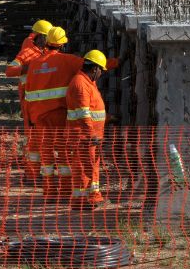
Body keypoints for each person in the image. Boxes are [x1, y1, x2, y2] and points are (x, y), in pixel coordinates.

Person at [23, 29, 119, 199]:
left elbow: (28, 94)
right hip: (60, 114)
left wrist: (29, 117)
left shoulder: (34, 65)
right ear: (62, 44)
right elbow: (91, 63)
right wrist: (116, 62)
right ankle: (66, 191)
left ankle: (49, 192)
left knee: (46, 155)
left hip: (39, 116)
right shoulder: (67, 60)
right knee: (64, 154)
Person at [4, 19, 54, 184]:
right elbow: (10, 71)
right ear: (40, 36)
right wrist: (28, 67)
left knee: (45, 139)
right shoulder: (27, 53)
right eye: (47, 36)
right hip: (30, 102)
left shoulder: (47, 52)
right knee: (33, 141)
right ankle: (32, 175)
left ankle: (42, 173)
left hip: (44, 103)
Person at [66, 50, 109, 210]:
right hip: (84, 136)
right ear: (95, 68)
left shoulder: (87, 82)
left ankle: (88, 199)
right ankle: (86, 201)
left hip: (88, 136)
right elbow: (83, 113)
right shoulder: (81, 84)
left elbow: (92, 109)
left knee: (88, 168)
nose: (101, 74)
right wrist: (91, 135)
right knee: (86, 169)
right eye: (101, 70)